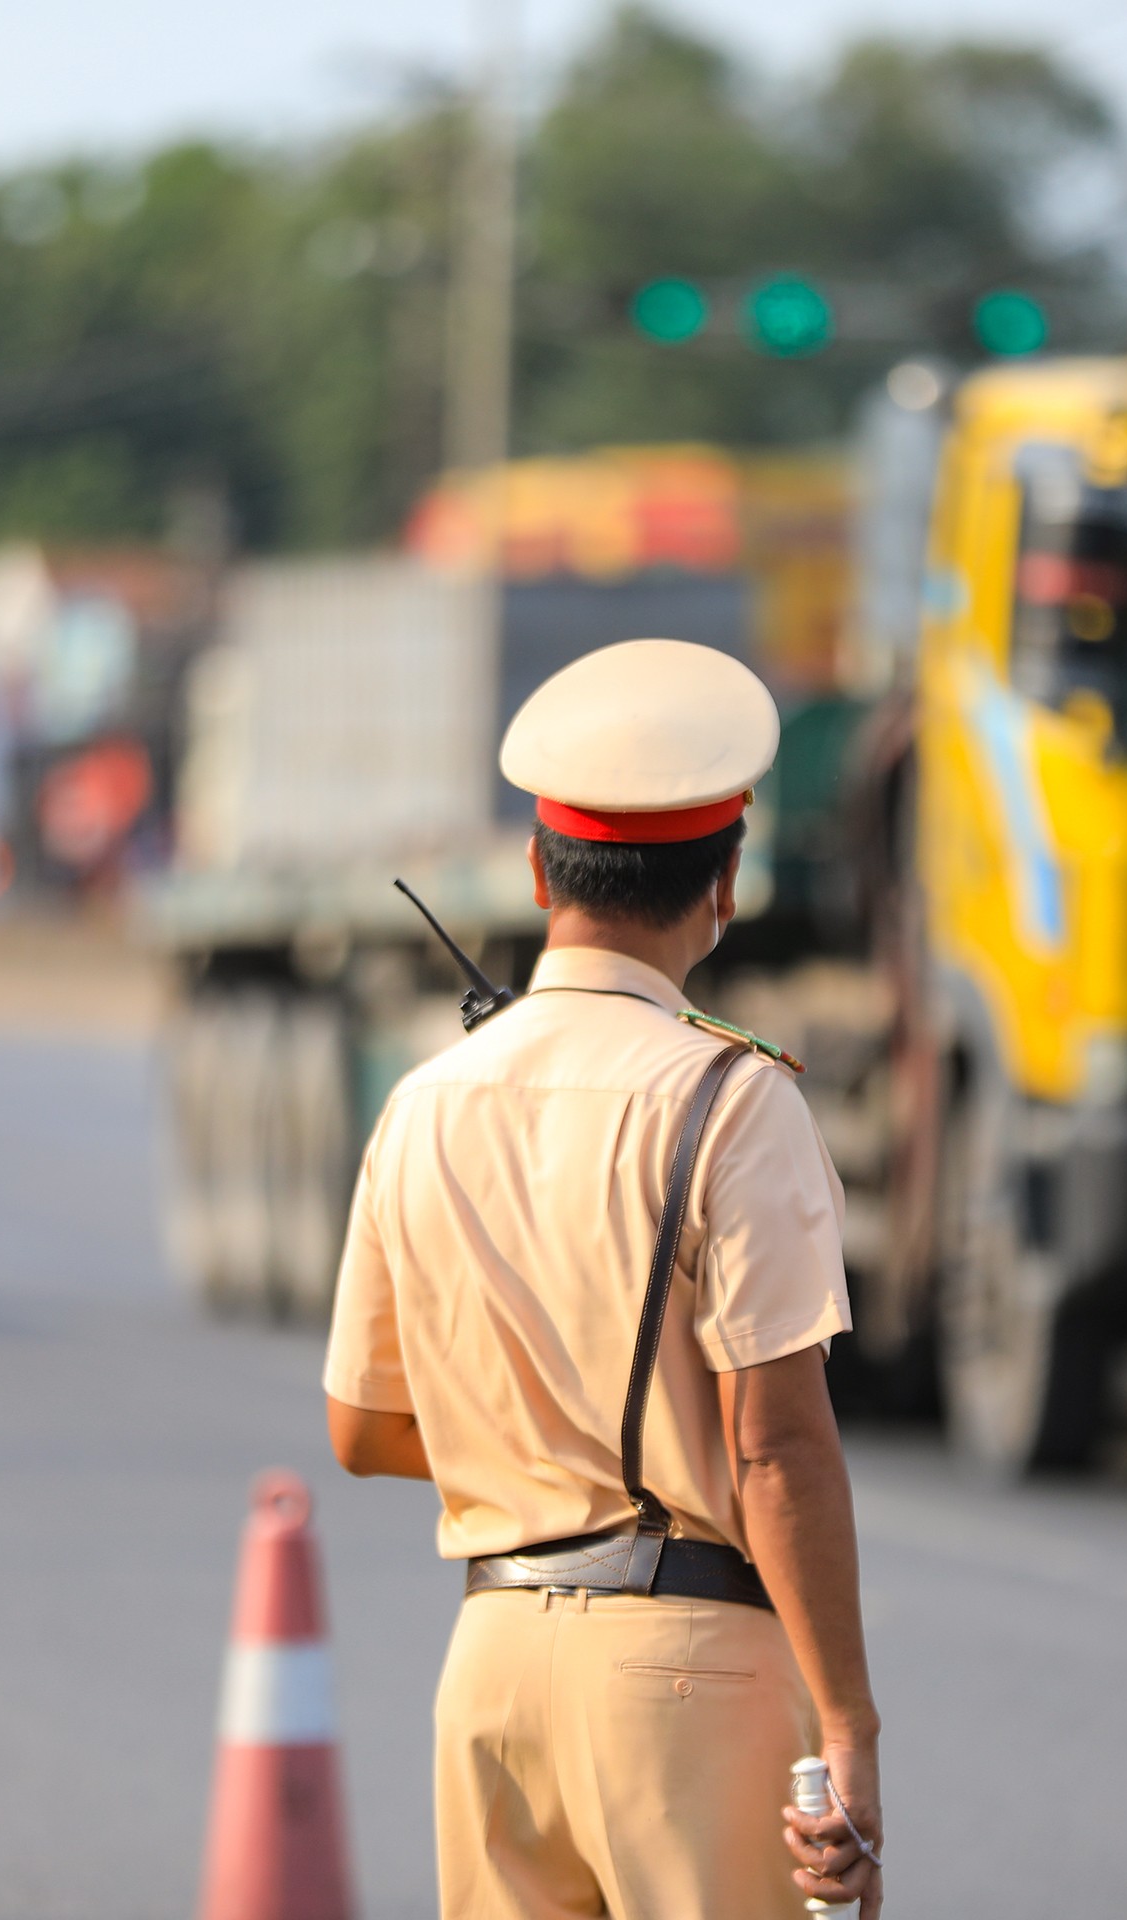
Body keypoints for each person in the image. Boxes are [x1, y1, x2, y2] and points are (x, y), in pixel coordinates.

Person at [324, 638, 883, 1920]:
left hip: (494, 1670)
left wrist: (539, 1446)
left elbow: (361, 1428)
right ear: (726, 881)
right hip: (686, 1676)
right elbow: (776, 1450)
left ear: (536, 869)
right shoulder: (732, 1102)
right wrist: (847, 1723)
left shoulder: (420, 1103)